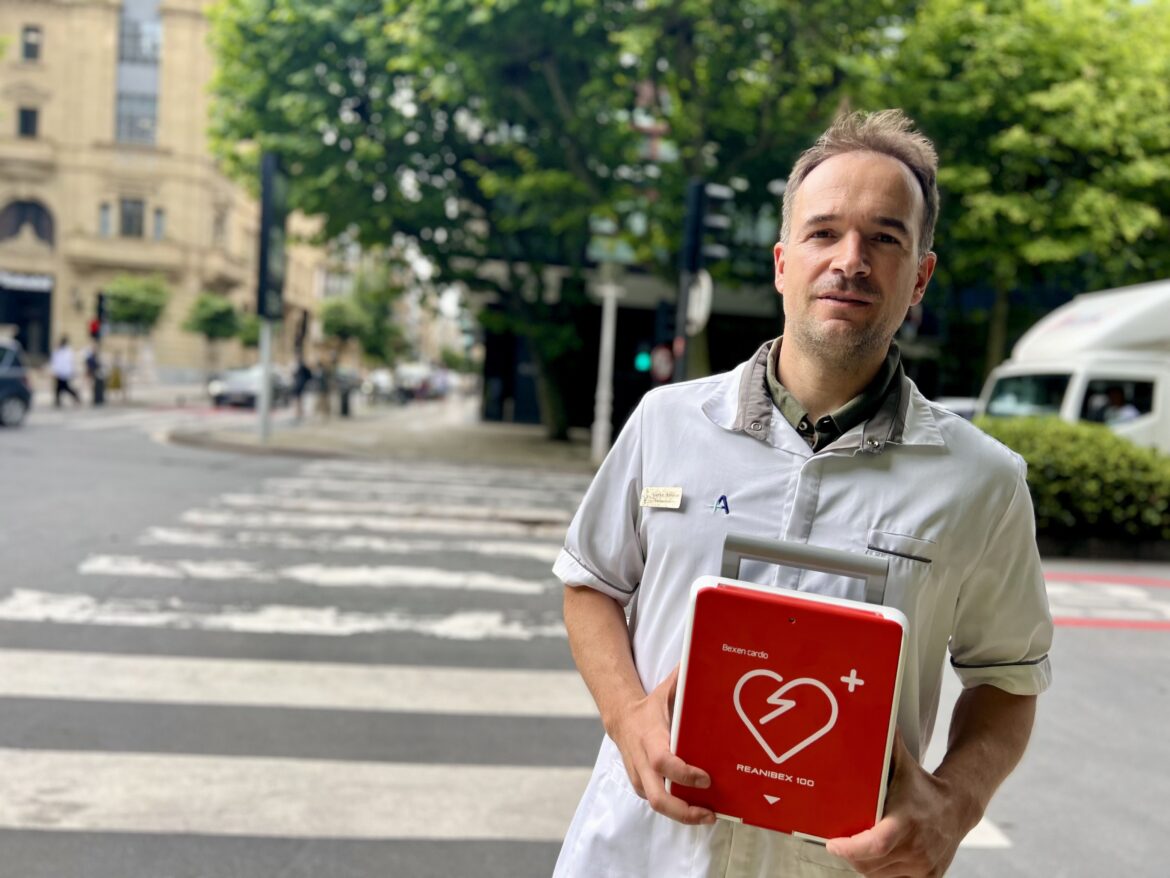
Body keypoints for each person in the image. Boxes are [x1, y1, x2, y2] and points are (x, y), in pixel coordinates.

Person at [553, 110, 1053, 878]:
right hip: (642, 853)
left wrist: (955, 805)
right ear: (783, 262)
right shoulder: (666, 423)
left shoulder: (982, 480)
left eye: (884, 238)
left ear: (920, 277)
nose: (850, 260)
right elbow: (591, 583)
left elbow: (1009, 676)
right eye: (824, 233)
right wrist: (627, 718)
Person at [50, 335, 81, 407]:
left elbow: (68, 362)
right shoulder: (59, 351)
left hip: (64, 372)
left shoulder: (67, 351)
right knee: (59, 387)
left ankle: (74, 397)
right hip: (60, 372)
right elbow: (56, 362)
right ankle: (58, 401)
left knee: (64, 387)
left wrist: (71, 371)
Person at [292, 355, 313, 421]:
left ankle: (299, 413)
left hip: (300, 385)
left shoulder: (302, 366)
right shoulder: (299, 366)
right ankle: (299, 413)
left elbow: (309, 375)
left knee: (299, 400)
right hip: (299, 385)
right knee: (298, 400)